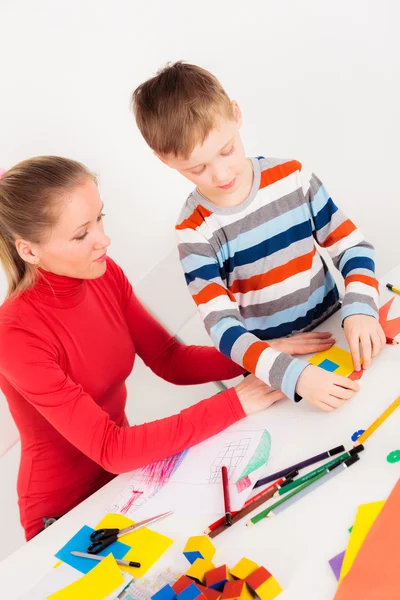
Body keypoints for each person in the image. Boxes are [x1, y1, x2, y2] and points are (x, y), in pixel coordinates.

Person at [0, 156, 292, 541]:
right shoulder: (15, 334)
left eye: (100, 218)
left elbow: (169, 358)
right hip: (65, 511)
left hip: (129, 481)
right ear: (29, 251)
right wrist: (237, 401)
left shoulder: (102, 274)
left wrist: (256, 353)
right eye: (80, 234)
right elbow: (111, 447)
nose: (103, 239)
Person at [131, 62, 386, 412]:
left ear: (236, 115)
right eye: (197, 168)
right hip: (275, 367)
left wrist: (360, 308)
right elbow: (223, 328)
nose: (221, 174)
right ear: (164, 160)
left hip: (338, 329)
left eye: (226, 150)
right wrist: (292, 375)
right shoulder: (194, 230)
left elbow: (352, 247)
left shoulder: (293, 177)